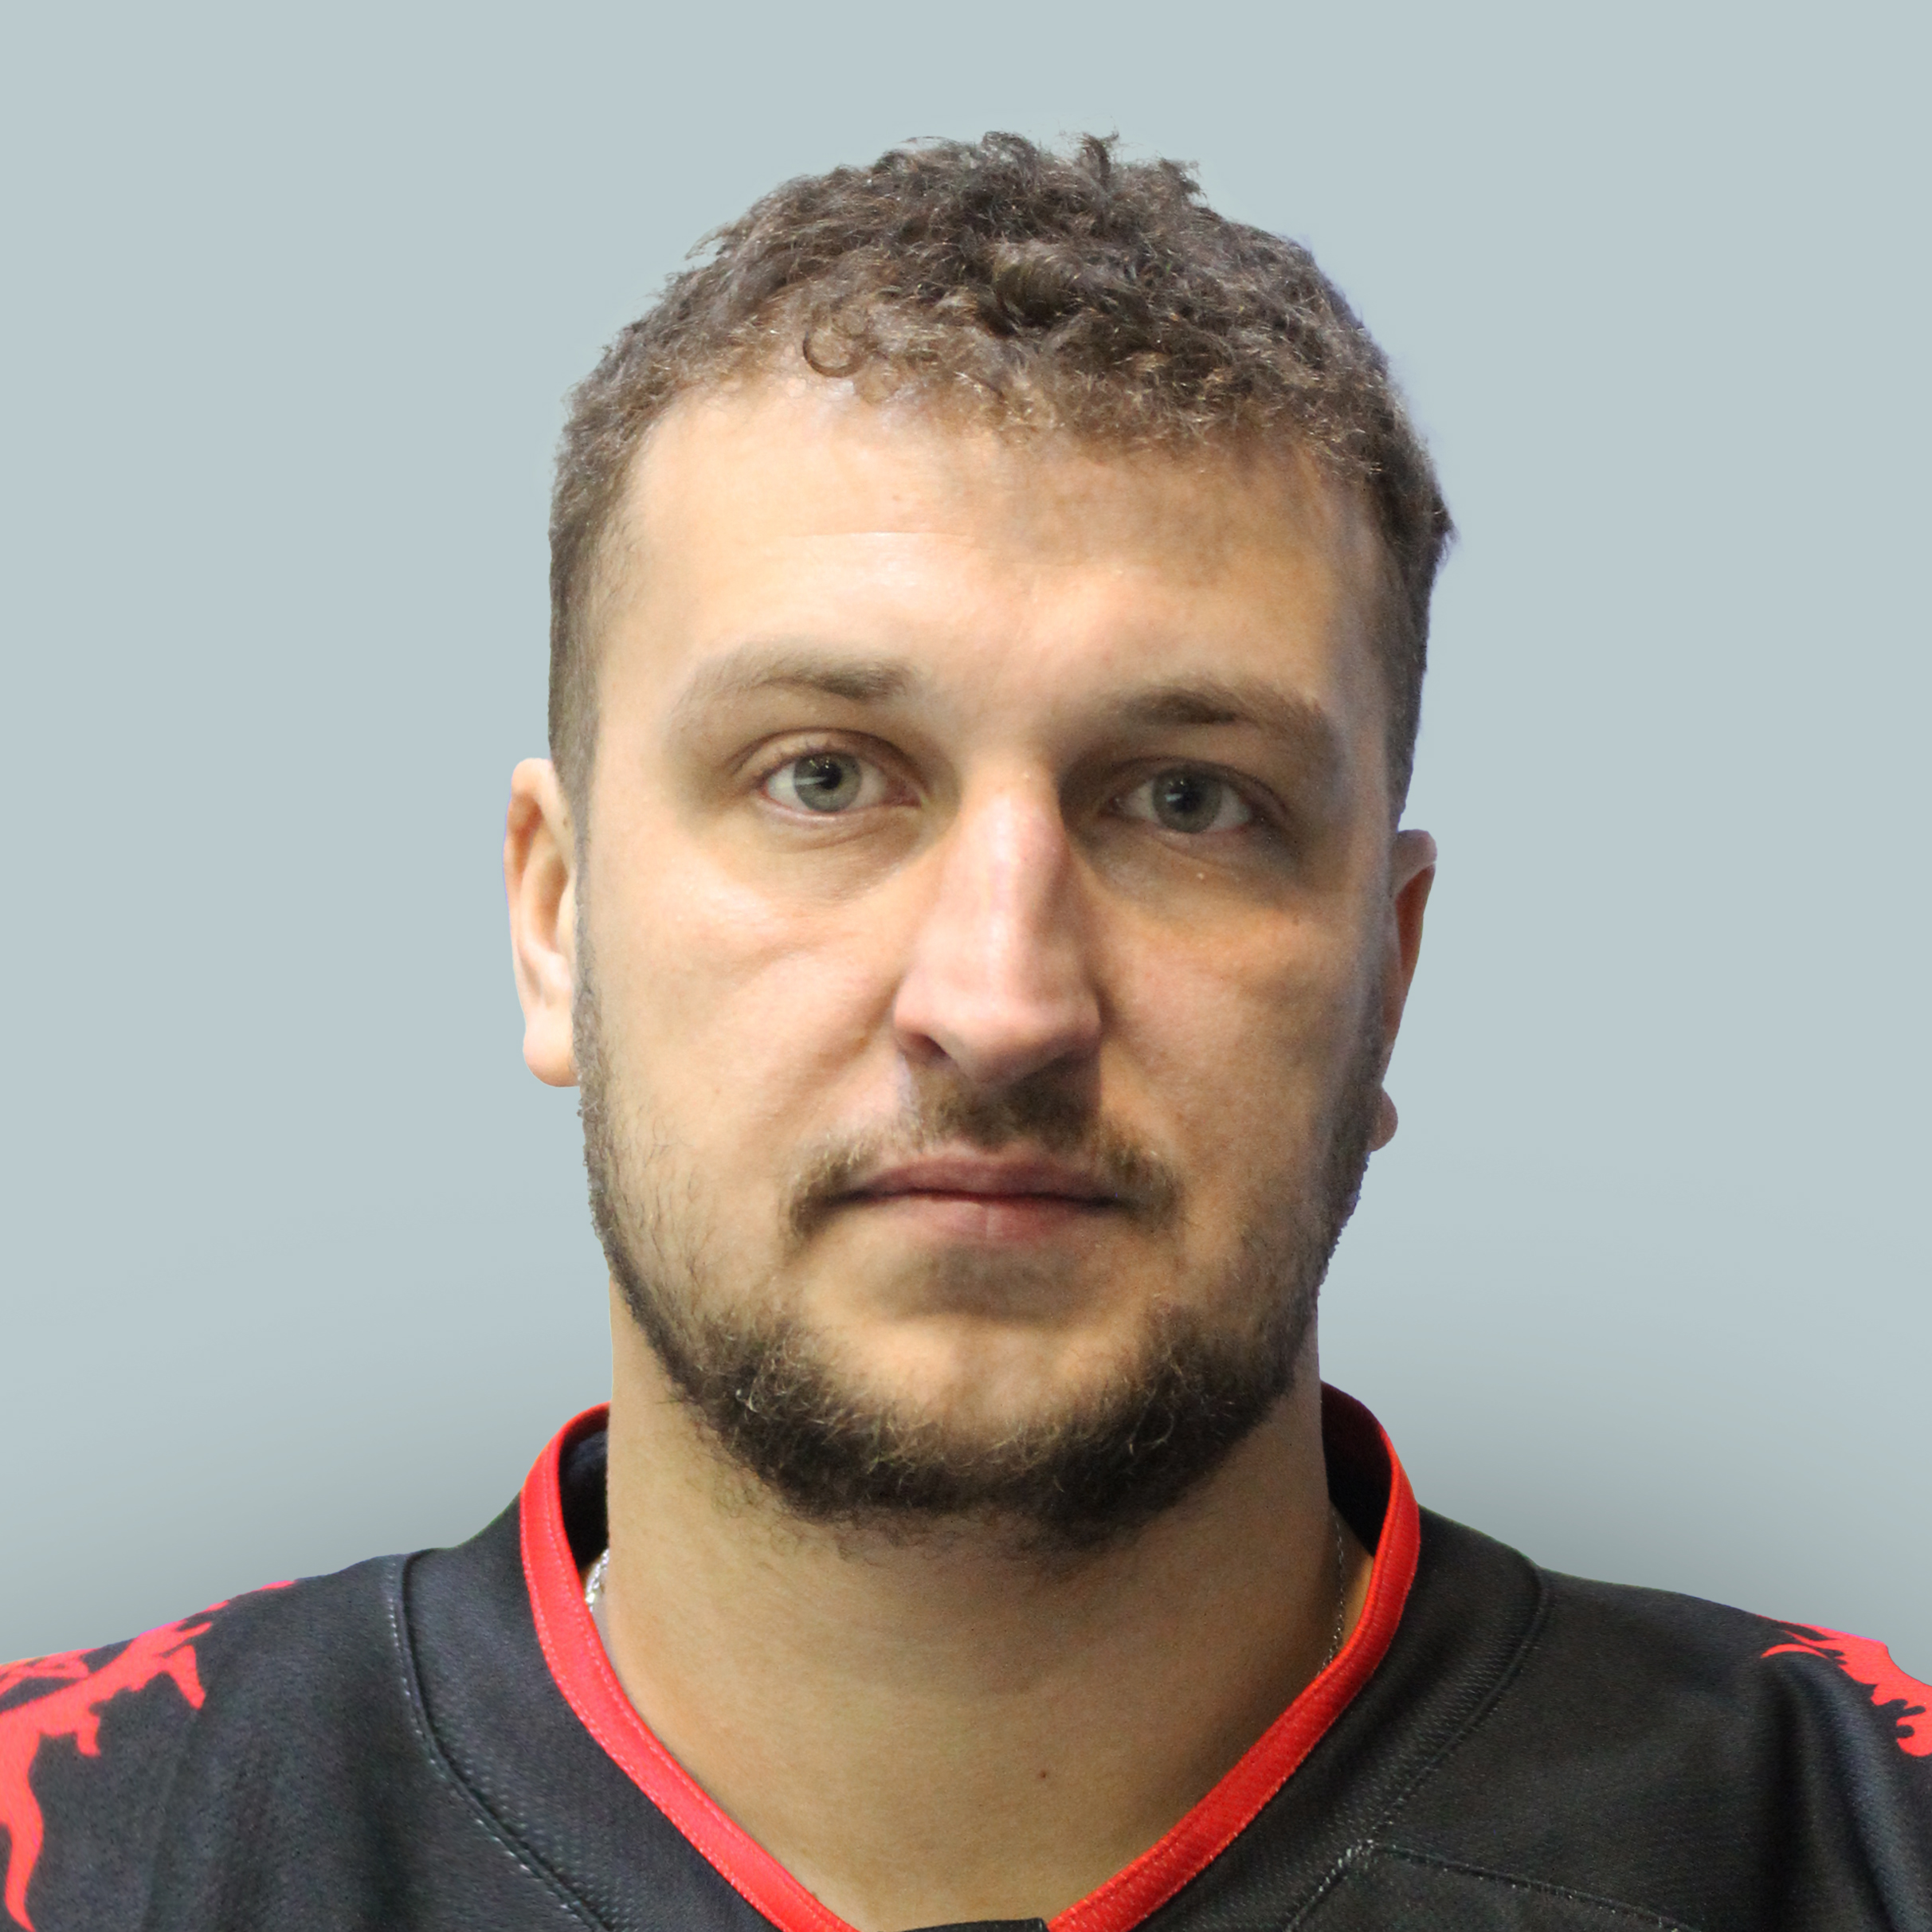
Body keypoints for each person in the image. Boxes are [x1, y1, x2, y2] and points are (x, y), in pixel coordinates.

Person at [2, 132, 1926, 1932]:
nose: (1000, 1005)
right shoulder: (78, 1848)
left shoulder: (1859, 1838)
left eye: (1187, 801)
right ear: (553, 918)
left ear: (1388, 974)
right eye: (824, 775)